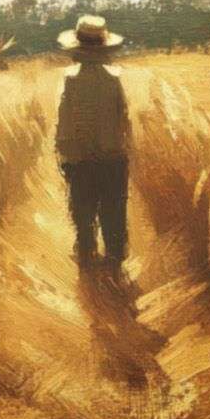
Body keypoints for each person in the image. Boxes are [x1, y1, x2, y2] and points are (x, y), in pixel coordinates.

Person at [53, 14, 131, 266]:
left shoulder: (70, 81)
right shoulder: (113, 80)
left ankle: (87, 261)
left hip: (80, 161)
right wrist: (122, 148)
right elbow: (124, 118)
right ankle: (114, 263)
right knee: (113, 213)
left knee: (83, 215)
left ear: (77, 49)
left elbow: (64, 122)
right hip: (112, 159)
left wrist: (64, 154)